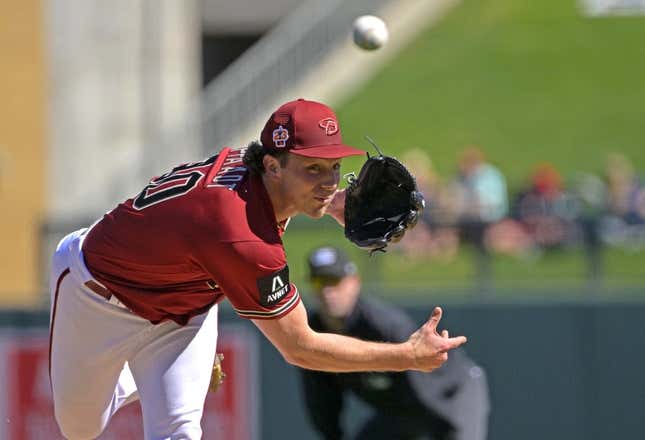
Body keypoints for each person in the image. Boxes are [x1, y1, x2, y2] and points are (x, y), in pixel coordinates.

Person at [48, 98, 468, 440]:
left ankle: (158, 371)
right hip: (99, 296)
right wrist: (406, 356)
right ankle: (133, 379)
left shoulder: (249, 170)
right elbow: (300, 346)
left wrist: (329, 203)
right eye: (313, 168)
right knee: (81, 429)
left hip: (186, 308)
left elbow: (265, 205)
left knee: (178, 431)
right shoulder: (242, 237)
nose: (328, 181)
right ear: (272, 165)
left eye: (334, 168)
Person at [300, 246, 490, 440]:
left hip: (450, 394)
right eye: (319, 282)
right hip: (399, 409)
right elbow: (321, 403)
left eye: (334, 280)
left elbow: (425, 395)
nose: (327, 291)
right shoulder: (312, 333)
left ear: (354, 283)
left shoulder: (383, 325)